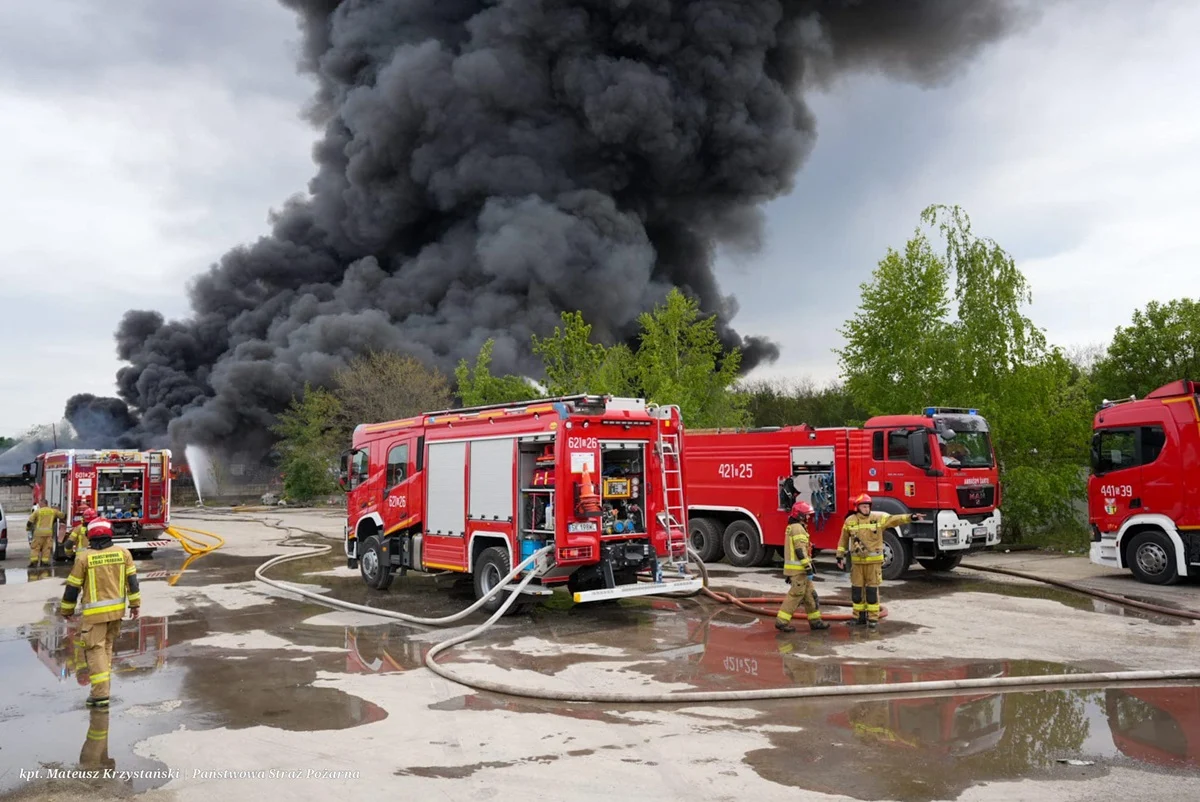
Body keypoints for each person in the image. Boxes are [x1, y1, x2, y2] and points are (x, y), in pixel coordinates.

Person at [59, 516, 141, 708]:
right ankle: (105, 689)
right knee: (106, 649)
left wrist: (66, 610)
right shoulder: (123, 553)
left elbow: (73, 587)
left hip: (94, 616)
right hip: (116, 613)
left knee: (95, 651)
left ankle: (100, 694)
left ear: (91, 536)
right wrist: (135, 605)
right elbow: (133, 583)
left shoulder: (84, 557)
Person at [836, 494, 925, 629]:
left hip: (873, 564)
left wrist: (910, 517)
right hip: (857, 563)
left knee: (871, 592)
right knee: (857, 591)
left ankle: (872, 619)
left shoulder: (877, 519)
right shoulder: (850, 521)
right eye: (864, 506)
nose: (866, 509)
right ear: (857, 507)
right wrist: (839, 556)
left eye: (868, 506)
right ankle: (858, 617)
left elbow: (894, 519)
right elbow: (843, 540)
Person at [775, 501, 831, 633]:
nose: (808, 518)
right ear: (799, 515)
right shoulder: (798, 528)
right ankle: (781, 622)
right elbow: (800, 550)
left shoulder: (794, 526)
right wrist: (808, 566)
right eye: (806, 515)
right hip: (799, 570)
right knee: (796, 595)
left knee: (810, 596)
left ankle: (815, 621)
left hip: (799, 570)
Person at [26, 499, 65, 569]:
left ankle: (34, 562)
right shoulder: (53, 511)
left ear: (43, 503)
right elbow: (62, 516)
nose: (39, 505)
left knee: (35, 548)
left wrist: (28, 528)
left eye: (40, 504)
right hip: (48, 534)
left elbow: (30, 521)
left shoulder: (37, 512)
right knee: (46, 548)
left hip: (38, 534)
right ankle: (44, 562)